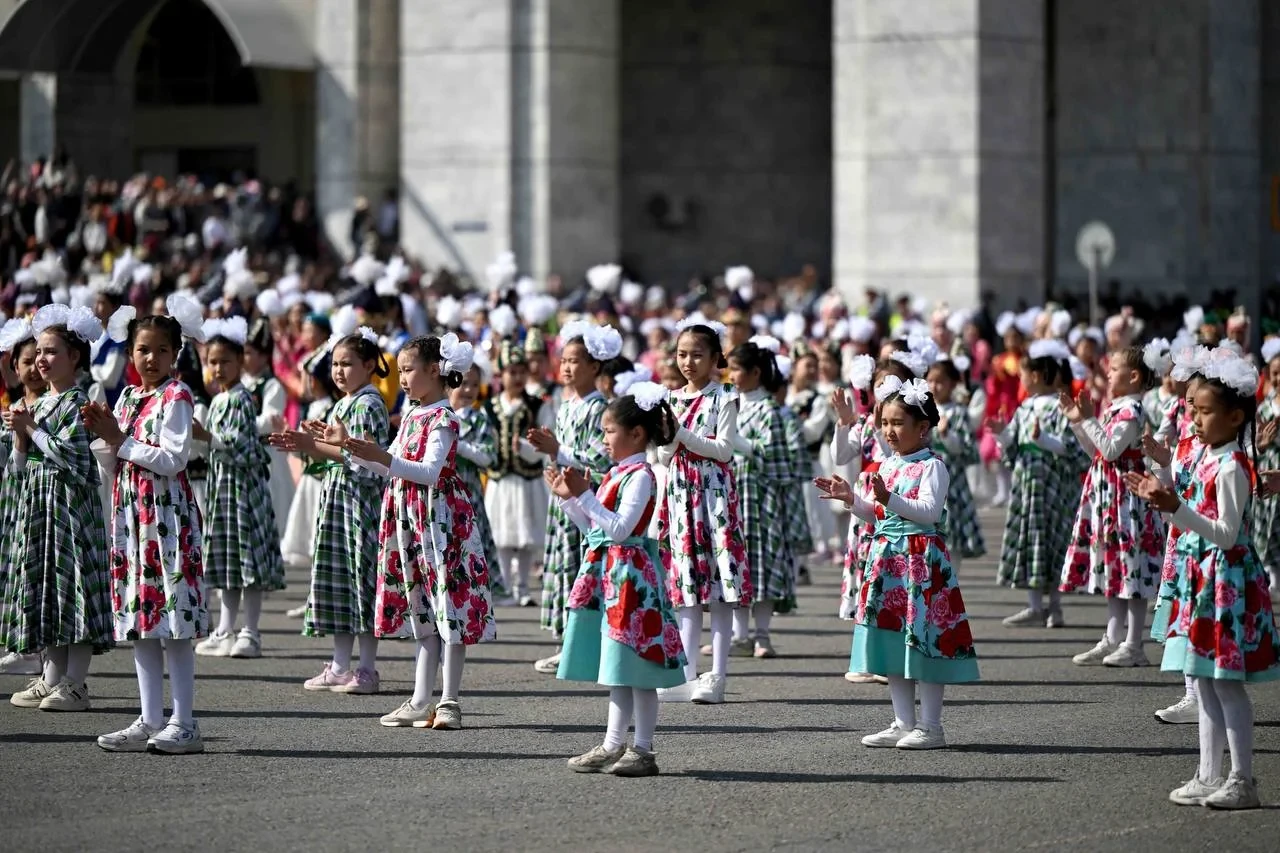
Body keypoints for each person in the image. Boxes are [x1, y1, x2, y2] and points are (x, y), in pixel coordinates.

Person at [1126, 351, 1280, 810]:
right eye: (1194, 409)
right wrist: (1165, 496)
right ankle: (1208, 774)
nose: (1194, 417)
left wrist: (1175, 507)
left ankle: (1242, 779)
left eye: (1206, 411)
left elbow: (1227, 533)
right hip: (1201, 578)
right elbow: (1194, 515)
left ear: (1235, 418)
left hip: (1226, 581)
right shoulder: (1208, 457)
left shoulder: (1232, 465)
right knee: (1204, 679)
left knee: (1226, 683)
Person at [816, 374, 979, 750]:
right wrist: (851, 500)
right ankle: (903, 722)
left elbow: (929, 512)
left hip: (921, 561)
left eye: (898, 423)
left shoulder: (932, 466)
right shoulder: (887, 465)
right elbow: (876, 515)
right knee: (893, 642)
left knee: (926, 641)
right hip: (888, 559)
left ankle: (931, 727)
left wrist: (888, 499)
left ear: (922, 428)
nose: (889, 431)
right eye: (885, 422)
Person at [84, 301, 207, 754]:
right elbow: (115, 458)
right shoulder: (129, 397)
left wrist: (119, 440)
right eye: (142, 349)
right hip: (133, 517)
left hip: (167, 517)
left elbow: (174, 459)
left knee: (174, 619)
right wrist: (103, 438)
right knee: (143, 617)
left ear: (175, 353)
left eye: (161, 350)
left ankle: (185, 722)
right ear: (130, 353)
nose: (151, 358)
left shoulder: (177, 396)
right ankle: (150, 717)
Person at [356, 335, 495, 730]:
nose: (401, 378)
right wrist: (357, 452)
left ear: (435, 371)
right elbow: (392, 465)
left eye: (408, 370)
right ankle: (419, 700)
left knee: (448, 607)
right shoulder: (413, 414)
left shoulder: (444, 417)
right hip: (410, 520)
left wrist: (384, 457)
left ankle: (449, 701)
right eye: (400, 370)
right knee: (422, 607)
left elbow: (431, 472)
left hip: (440, 522)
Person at [552, 384, 687, 777]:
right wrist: (569, 499)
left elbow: (621, 529)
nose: (604, 439)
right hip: (613, 578)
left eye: (610, 431)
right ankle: (612, 745)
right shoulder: (617, 473)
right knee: (618, 668)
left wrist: (586, 496)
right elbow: (596, 531)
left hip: (633, 581)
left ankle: (642, 749)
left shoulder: (641, 476)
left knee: (640, 669)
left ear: (637, 434)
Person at [1, 305, 111, 711]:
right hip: (41, 506)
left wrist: (30, 429)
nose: (42, 360)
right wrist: (20, 439)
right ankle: (50, 677)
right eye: (39, 353)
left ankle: (75, 683)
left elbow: (75, 459)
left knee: (73, 587)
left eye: (51, 352)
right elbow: (18, 468)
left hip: (69, 509)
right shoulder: (40, 403)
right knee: (48, 588)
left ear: (74, 357)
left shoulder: (78, 402)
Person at [270, 332, 390, 695]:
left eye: (347, 363)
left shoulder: (369, 404)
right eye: (335, 364)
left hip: (360, 503)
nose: (339, 371)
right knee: (340, 581)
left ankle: (366, 668)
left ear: (369, 366)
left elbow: (366, 459)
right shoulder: (344, 403)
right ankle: (339, 666)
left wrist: (317, 445)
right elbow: (336, 452)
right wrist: (311, 443)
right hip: (339, 500)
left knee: (361, 582)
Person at [654, 321, 750, 704]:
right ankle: (686, 673)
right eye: (682, 354)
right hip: (680, 495)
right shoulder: (670, 398)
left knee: (721, 585)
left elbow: (724, 449)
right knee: (687, 585)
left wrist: (680, 434)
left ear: (714, 359)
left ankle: (718, 675)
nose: (688, 362)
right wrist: (667, 437)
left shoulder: (724, 395)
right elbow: (663, 455)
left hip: (714, 496)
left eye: (697, 354)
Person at [1059, 344, 1167, 666]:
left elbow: (1110, 450)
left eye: (1114, 369)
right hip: (1110, 497)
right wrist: (1079, 422)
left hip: (1127, 498)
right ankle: (1112, 637)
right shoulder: (1116, 407)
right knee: (1115, 565)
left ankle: (1134, 644)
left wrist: (1089, 419)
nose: (1108, 373)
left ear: (1133, 376)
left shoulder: (1132, 410)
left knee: (1132, 566)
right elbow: (1095, 451)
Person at [526, 322, 617, 674]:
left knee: (585, 568)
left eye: (575, 360)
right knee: (565, 567)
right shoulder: (566, 406)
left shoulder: (599, 408)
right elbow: (562, 452)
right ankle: (568, 643)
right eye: (564, 360)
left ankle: (585, 645)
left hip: (587, 501)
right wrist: (551, 453)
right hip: (563, 499)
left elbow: (600, 458)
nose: (566, 367)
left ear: (595, 366)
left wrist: (558, 450)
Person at [193, 317, 286, 661]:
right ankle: (225, 629)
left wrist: (206, 437)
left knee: (248, 562)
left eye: (225, 361)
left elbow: (243, 446)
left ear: (239, 362)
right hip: (224, 491)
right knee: (228, 561)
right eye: (212, 361)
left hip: (244, 492)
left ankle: (251, 631)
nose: (218, 368)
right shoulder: (219, 399)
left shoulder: (242, 398)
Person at [996, 340, 1078, 627]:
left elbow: (1069, 446)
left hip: (1051, 483)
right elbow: (1013, 444)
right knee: (1030, 538)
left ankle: (1055, 606)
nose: (1021, 379)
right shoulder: (1025, 408)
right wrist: (1001, 434)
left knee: (1052, 538)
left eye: (1023, 374)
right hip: (1026, 482)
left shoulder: (1060, 406)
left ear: (1036, 375)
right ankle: (1034, 606)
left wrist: (1043, 440)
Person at [726, 340, 795, 669]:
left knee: (763, 563)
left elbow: (774, 455)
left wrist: (736, 441)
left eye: (736, 369)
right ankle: (739, 635)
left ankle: (762, 634)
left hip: (761, 495)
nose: (731, 375)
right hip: (733, 493)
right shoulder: (730, 403)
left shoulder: (769, 409)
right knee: (737, 562)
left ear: (755, 372)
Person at [483, 342, 551, 606]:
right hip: (501, 480)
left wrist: (525, 447)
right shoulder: (490, 406)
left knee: (525, 537)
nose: (518, 377)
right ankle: (504, 586)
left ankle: (522, 587)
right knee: (502, 536)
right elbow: (485, 438)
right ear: (501, 375)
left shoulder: (536, 405)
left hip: (526, 480)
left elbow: (546, 441)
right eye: (512, 372)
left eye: (522, 371)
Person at [0, 318, 47, 676]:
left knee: (36, 573)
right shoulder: (12, 407)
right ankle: (20, 644)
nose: (33, 368)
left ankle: (36, 651)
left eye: (37, 360)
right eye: (25, 361)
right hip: (13, 498)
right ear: (14, 367)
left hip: (40, 498)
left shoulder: (50, 406)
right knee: (15, 573)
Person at [451, 361, 504, 598]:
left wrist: (460, 446)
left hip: (468, 494)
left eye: (474, 385)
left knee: (471, 547)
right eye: (463, 383)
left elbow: (488, 457)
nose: (469, 390)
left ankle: (474, 599)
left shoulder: (478, 419)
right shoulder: (439, 414)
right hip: (439, 493)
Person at [926, 356, 986, 566]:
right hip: (926, 480)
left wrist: (946, 435)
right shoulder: (921, 411)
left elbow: (966, 449)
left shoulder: (959, 412)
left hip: (952, 481)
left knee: (951, 531)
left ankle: (951, 577)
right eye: (930, 381)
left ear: (952, 384)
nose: (934, 386)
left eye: (940, 381)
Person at [1251, 338, 1280, 592]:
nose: (1278, 378)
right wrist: (1260, 444)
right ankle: (1269, 569)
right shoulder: (1265, 407)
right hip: (1268, 466)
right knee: (1265, 516)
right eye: (1275, 374)